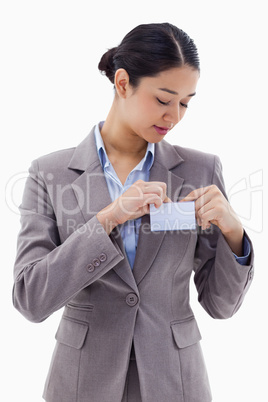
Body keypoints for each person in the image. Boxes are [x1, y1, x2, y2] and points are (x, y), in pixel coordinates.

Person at [13, 22, 254, 402]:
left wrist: (233, 234)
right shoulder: (50, 174)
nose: (174, 116)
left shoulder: (200, 171)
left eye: (186, 102)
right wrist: (107, 219)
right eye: (163, 99)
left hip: (175, 385)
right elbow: (31, 299)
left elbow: (220, 306)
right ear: (123, 83)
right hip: (82, 386)